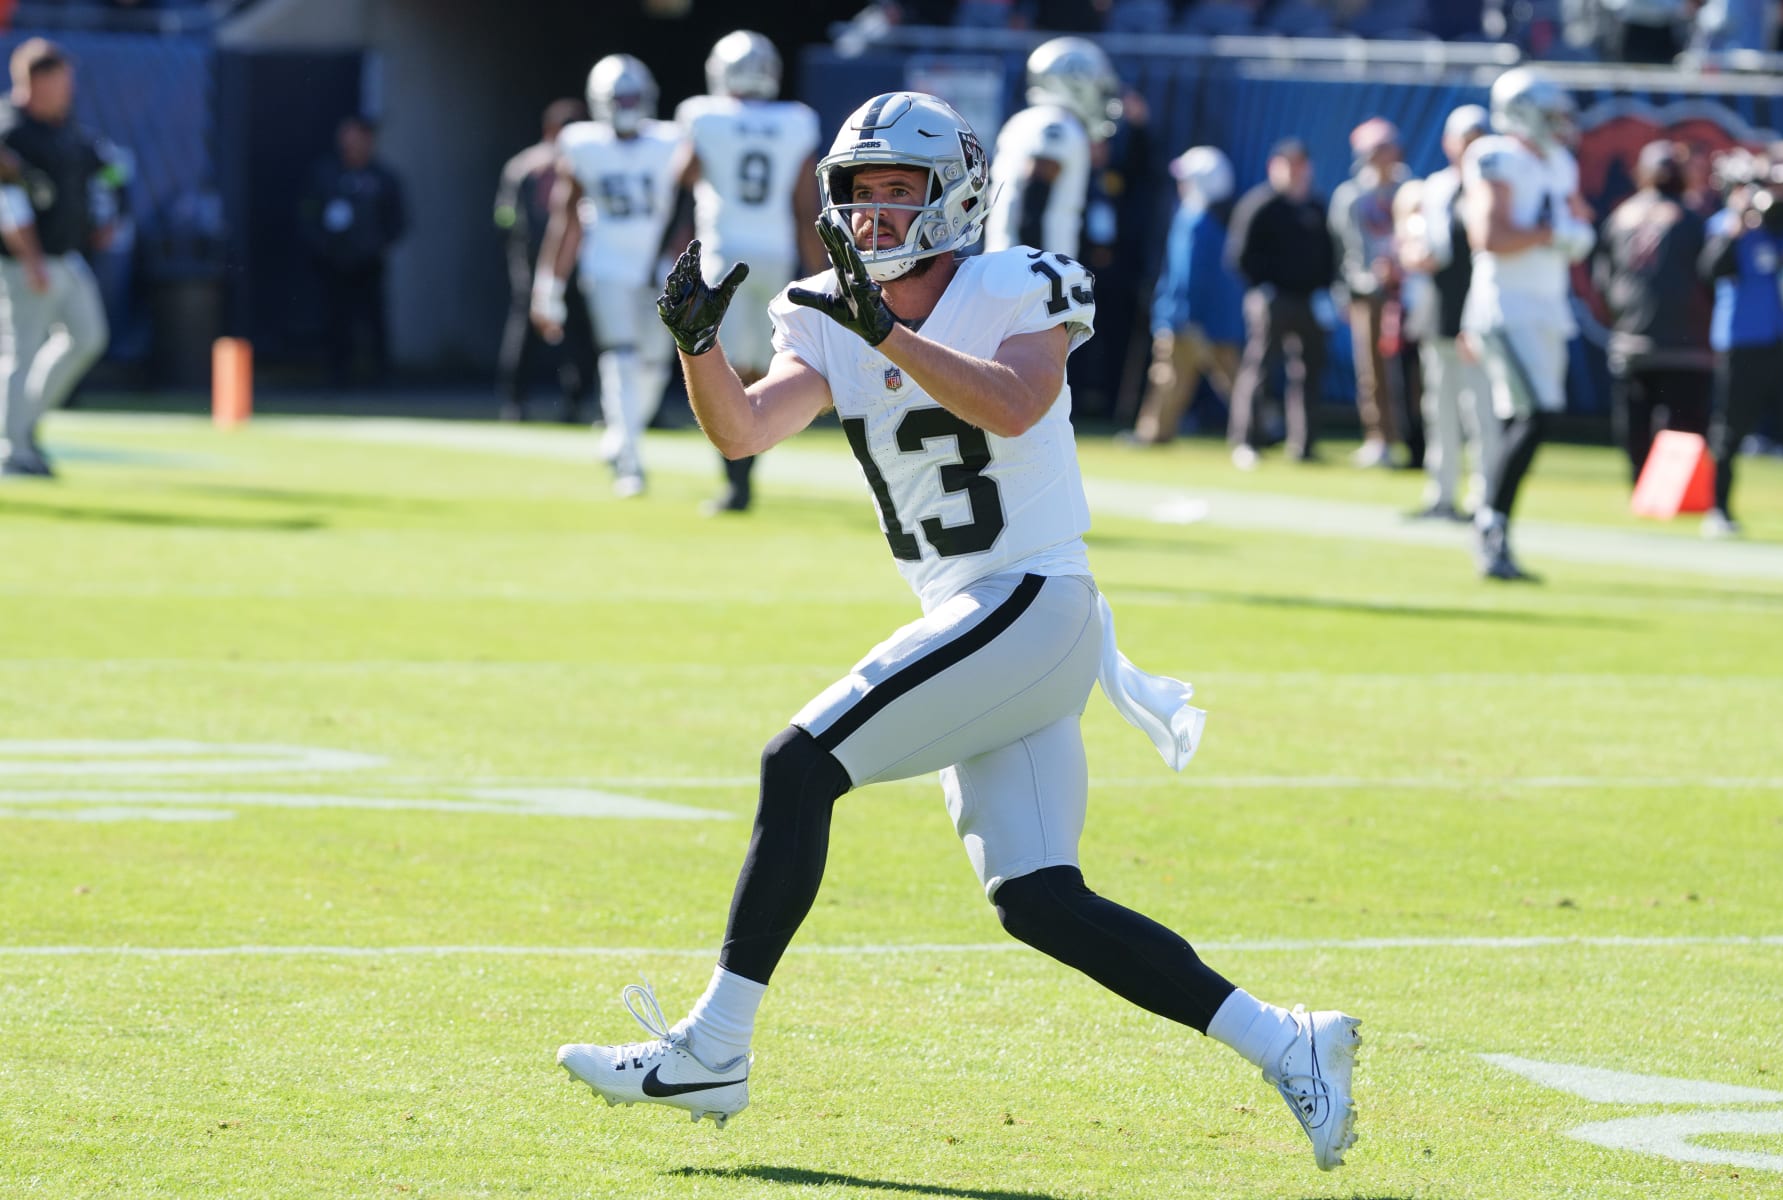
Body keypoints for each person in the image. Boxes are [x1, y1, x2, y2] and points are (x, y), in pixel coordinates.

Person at [553, 90, 1362, 1173]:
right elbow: (744, 429)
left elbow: (1018, 403)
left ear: (954, 198)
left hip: (1034, 600)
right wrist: (700, 347)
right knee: (1039, 900)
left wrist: (883, 329)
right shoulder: (823, 308)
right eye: (860, 193)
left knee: (797, 765)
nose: (877, 216)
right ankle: (1291, 1041)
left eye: (900, 192)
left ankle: (715, 1046)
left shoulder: (1015, 281)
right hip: (980, 622)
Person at [673, 30, 824, 513]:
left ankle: (736, 479)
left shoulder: (703, 115)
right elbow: (806, 207)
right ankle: (746, 474)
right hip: (775, 252)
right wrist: (824, 274)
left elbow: (681, 177)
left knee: (724, 365)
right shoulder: (796, 120)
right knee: (760, 365)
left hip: (723, 252)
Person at [1460, 67, 1595, 581]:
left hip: (1546, 304)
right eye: (1551, 114)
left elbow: (1578, 223)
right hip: (1507, 305)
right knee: (1535, 416)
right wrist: (1551, 233)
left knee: (1532, 417)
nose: (1559, 124)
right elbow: (1489, 236)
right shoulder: (1495, 155)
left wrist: (1568, 233)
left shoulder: (1559, 162)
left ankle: (1492, 521)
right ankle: (1489, 525)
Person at [533, 56, 684, 498]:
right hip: (607, 265)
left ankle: (622, 434)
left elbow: (689, 211)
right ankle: (630, 460)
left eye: (632, 98)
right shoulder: (582, 144)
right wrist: (549, 287)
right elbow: (567, 221)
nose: (626, 105)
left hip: (659, 267)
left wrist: (683, 263)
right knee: (620, 355)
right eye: (620, 98)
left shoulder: (671, 140)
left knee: (656, 362)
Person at [0, 38, 110, 479]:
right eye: (62, 79)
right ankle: (11, 449)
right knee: (19, 352)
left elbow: (100, 174)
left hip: (67, 256)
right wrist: (30, 259)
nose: (69, 88)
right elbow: (8, 203)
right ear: (38, 80)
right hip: (26, 261)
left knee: (88, 337)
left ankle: (23, 427)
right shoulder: (10, 130)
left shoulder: (64, 126)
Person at [1591, 139, 1712, 483]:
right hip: (1685, 344)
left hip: (1632, 341)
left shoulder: (1621, 216)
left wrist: (1621, 317)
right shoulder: (1691, 219)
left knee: (1636, 424)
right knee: (1683, 426)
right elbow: (1710, 275)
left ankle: (1642, 488)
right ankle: (1671, 491)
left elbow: (1603, 281)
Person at [1398, 104, 1496, 520]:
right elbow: (1420, 249)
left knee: (1482, 411)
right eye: (1464, 139)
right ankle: (1441, 494)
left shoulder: (1496, 184)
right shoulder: (1435, 188)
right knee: (1439, 410)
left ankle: (1485, 498)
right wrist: (1413, 252)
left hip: (1482, 315)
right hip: (1439, 311)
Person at [1698, 151, 1783, 537]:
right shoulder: (1726, 225)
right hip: (1739, 340)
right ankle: (1719, 509)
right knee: (1731, 430)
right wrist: (1739, 218)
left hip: (1775, 339)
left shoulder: (1781, 224)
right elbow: (1710, 271)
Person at [1224, 138, 1337, 468]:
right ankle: (1247, 440)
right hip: (1272, 299)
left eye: (1301, 165)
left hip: (1309, 301)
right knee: (1260, 369)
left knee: (1309, 372)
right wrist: (1264, 286)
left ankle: (1303, 443)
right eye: (1289, 165)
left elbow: (1329, 255)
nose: (1296, 172)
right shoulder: (1260, 205)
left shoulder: (1315, 206)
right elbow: (1239, 257)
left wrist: (1325, 289)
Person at [1123, 145, 1243, 446]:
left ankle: (1153, 433)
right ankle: (1259, 426)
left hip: (1186, 315)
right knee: (1233, 377)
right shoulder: (1218, 219)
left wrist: (1182, 312)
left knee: (1169, 376)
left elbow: (1186, 273)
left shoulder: (1195, 219)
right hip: (1217, 318)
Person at [495, 98, 592, 424]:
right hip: (534, 260)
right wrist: (524, 257)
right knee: (526, 330)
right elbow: (506, 217)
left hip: (575, 260)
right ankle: (515, 402)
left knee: (578, 335)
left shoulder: (587, 160)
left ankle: (575, 401)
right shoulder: (525, 167)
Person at [984, 36, 1122, 261]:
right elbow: (1034, 198)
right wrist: (1036, 270)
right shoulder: (1057, 125)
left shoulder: (1027, 120)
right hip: (1030, 269)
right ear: (1075, 82)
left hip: (1010, 261)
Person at [299, 114, 407, 389]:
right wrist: (323, 245)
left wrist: (379, 244)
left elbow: (398, 220)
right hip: (333, 263)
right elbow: (308, 214)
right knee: (336, 320)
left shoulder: (383, 177)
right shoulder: (324, 174)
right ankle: (337, 375)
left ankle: (381, 376)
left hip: (368, 262)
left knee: (374, 321)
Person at [1330, 118, 1411, 469]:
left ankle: (1414, 437)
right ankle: (1379, 437)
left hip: (1408, 292)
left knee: (1413, 371)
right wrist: (1349, 290)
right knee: (1372, 370)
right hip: (1367, 293)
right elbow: (1342, 250)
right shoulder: (1351, 196)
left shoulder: (1407, 188)